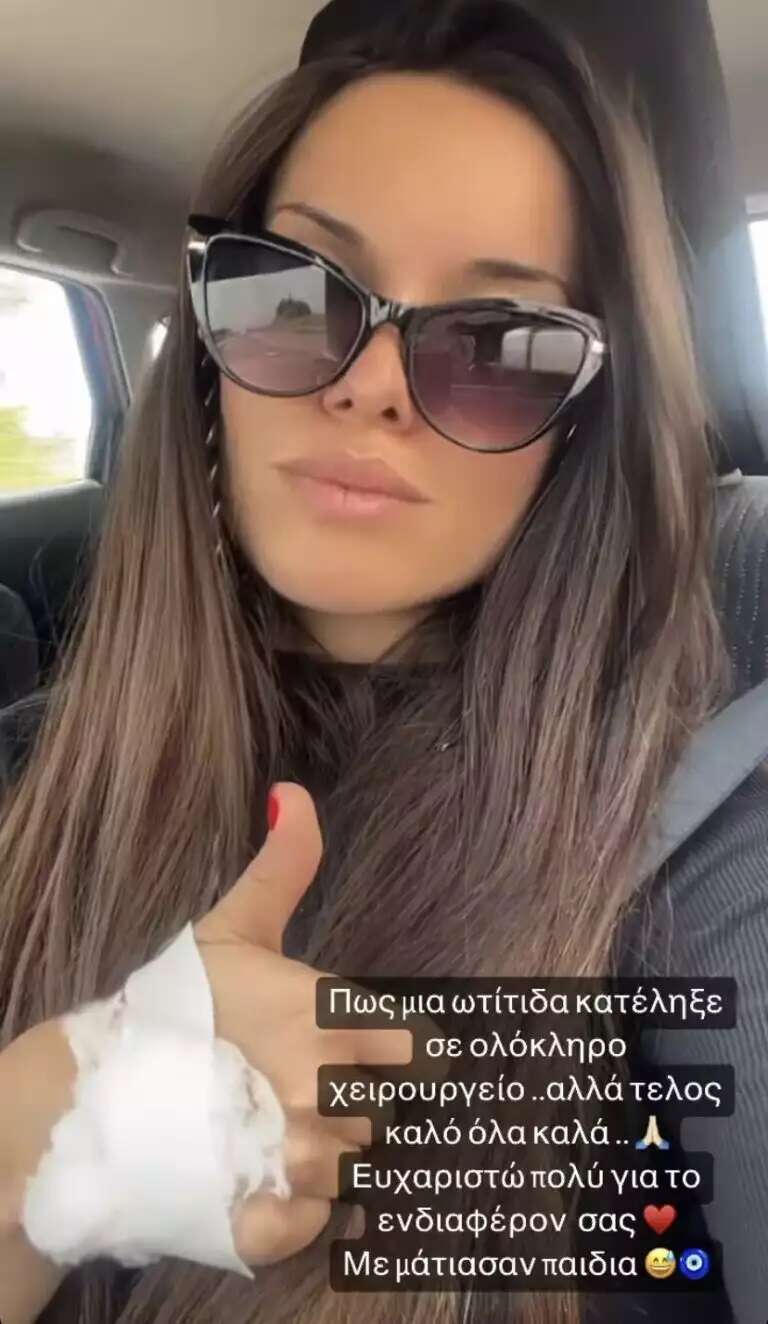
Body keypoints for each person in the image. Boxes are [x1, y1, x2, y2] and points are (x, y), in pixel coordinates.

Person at [0, 1, 766, 1322]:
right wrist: (32, 1159)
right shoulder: (28, 777)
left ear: (580, 430)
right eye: (295, 294)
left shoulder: (702, 827)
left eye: (499, 344)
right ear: (211, 343)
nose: (371, 386)